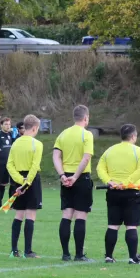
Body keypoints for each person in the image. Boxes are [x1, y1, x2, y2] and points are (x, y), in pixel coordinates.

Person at [96, 124, 140, 265]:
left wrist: (109, 181)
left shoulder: (110, 151)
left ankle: (108, 256)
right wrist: (126, 182)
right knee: (131, 225)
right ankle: (133, 258)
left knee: (113, 225)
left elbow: (100, 168)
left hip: (113, 192)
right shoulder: (138, 151)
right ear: (133, 136)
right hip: (131, 191)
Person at [52, 105, 94, 262]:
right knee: (81, 215)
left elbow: (56, 156)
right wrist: (76, 176)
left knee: (67, 214)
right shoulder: (87, 135)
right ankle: (79, 255)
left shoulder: (63, 134)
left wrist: (62, 175)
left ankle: (65, 254)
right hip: (81, 177)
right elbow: (86, 157)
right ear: (85, 118)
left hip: (66, 178)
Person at [6, 114, 43, 258]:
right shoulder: (37, 144)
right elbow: (35, 166)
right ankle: (28, 251)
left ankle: (14, 250)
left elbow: (9, 164)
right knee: (31, 214)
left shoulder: (15, 143)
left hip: (18, 180)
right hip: (31, 181)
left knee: (19, 214)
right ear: (34, 128)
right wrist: (27, 182)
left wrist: (19, 180)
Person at [0, 117, 13, 210]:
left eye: (9, 124)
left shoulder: (10, 135)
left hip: (7, 164)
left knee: (4, 184)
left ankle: (0, 202)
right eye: (6, 124)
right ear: (1, 125)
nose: (8, 126)